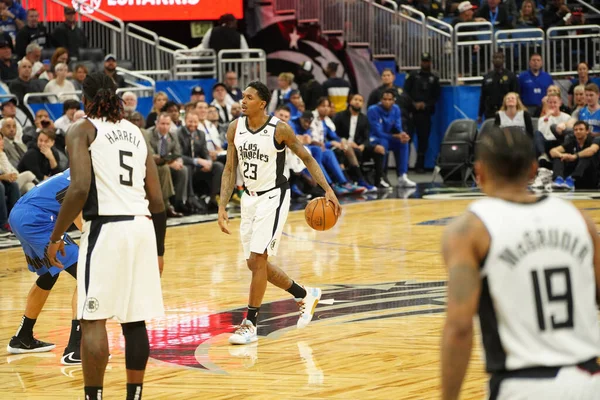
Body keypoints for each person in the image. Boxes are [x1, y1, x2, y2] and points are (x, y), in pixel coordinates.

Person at [441, 125, 600, 400]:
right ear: (533, 169)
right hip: (589, 381)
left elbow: (459, 327)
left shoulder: (469, 230)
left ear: (478, 173)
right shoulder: (579, 219)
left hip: (523, 385)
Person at [45, 72, 166, 399]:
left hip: (107, 228)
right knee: (134, 319)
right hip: (142, 227)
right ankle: (134, 395)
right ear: (115, 95)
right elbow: (157, 201)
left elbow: (79, 188)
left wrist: (56, 235)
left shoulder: (81, 129)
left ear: (84, 98)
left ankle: (93, 396)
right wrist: (160, 250)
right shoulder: (137, 132)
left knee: (93, 318)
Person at [218, 81, 341, 345]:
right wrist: (221, 206)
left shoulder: (279, 129)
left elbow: (307, 158)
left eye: (249, 97)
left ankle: (250, 323)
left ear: (262, 103)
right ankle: (304, 294)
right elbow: (229, 169)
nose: (243, 101)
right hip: (248, 200)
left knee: (257, 259)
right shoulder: (234, 128)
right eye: (243, 96)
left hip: (274, 197)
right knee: (254, 264)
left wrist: (328, 190)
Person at [6, 170, 83, 365]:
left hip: (20, 214)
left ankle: (23, 337)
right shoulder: (87, 174)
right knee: (87, 274)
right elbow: (77, 212)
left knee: (49, 275)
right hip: (37, 219)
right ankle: (76, 348)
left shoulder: (73, 169)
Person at [367, 89, 416, 188]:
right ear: (380, 100)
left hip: (389, 137)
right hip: (374, 138)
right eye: (384, 99)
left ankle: (402, 176)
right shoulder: (372, 110)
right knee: (383, 142)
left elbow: (398, 126)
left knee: (403, 142)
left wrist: (402, 134)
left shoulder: (396, 108)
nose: (387, 102)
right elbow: (378, 132)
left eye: (390, 99)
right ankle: (381, 176)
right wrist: (395, 136)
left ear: (394, 100)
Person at [403, 52, 441, 171]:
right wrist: (413, 104)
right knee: (407, 138)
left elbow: (436, 97)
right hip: (411, 112)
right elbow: (405, 92)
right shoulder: (413, 76)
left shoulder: (434, 78)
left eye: (427, 61)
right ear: (421, 62)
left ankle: (420, 165)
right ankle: (404, 164)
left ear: (430, 62)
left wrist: (425, 105)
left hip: (425, 113)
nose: (425, 63)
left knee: (423, 139)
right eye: (423, 61)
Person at [549, 120, 600, 190]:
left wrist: (575, 156)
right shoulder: (572, 141)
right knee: (558, 158)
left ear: (587, 131)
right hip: (572, 173)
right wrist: (562, 155)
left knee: (586, 156)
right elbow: (552, 151)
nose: (578, 131)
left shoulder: (595, 139)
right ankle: (558, 180)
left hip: (591, 174)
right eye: (575, 130)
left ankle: (572, 179)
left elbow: (592, 150)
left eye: (581, 129)